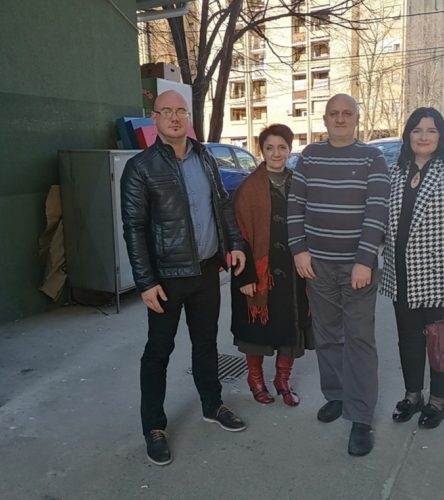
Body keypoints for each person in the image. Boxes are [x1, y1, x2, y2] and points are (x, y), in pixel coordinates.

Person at [120, 90, 248, 466]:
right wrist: (145, 282)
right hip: (166, 278)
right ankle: (153, 427)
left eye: (181, 111)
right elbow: (134, 228)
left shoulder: (204, 156)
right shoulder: (141, 167)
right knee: (158, 352)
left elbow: (222, 203)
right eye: (167, 111)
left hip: (207, 271)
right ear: (155, 118)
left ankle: (212, 404)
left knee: (206, 343)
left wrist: (235, 244)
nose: (175, 117)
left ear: (188, 117)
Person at [287, 94, 390, 456]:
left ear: (356, 119)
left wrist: (364, 259)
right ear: (325, 119)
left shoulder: (373, 158)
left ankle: (360, 417)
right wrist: (299, 250)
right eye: (334, 113)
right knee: (327, 335)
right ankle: (336, 395)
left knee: (359, 340)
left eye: (347, 113)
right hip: (318, 267)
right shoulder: (309, 157)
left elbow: (377, 210)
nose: (340, 119)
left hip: (357, 268)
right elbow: (295, 206)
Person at [380, 107, 444, 429]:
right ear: (408, 135)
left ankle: (438, 400)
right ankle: (413, 395)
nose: (423, 136)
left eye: (431, 130)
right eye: (417, 130)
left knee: (441, 342)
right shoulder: (397, 171)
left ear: (441, 136)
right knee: (408, 340)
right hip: (400, 275)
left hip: (439, 277)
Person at [231, 124, 313, 407]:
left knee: (291, 327)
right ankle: (255, 379)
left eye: (282, 147)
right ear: (261, 151)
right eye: (269, 148)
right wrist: (245, 276)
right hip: (257, 273)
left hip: (294, 271)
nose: (276, 153)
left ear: (289, 150)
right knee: (255, 330)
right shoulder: (248, 188)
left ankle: (282, 380)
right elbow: (237, 234)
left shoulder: (300, 184)